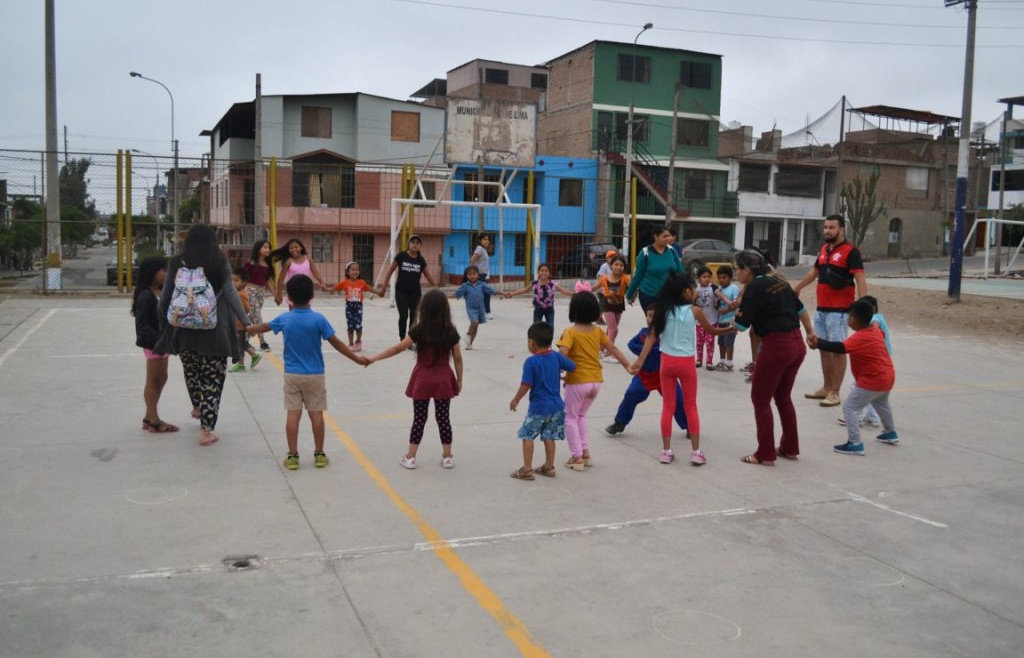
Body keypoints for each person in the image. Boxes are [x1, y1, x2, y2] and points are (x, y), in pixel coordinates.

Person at [247, 275, 368, 470]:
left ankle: (293, 456)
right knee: (316, 414)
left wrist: (246, 328)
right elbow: (336, 343)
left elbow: (263, 327)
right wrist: (357, 359)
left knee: (293, 415)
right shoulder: (319, 319)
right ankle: (319, 454)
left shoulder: (285, 318)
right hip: (315, 375)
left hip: (292, 375)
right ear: (312, 296)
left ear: (289, 298)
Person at [155, 223, 251, 447]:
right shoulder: (219, 262)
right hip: (214, 332)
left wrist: (166, 326)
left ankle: (197, 406)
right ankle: (207, 430)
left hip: (184, 332)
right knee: (212, 379)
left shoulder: (177, 263)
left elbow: (165, 297)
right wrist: (246, 321)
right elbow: (230, 292)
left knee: (192, 372)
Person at [631, 272, 733, 465]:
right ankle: (696, 452)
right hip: (686, 363)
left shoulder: (663, 311)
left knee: (667, 406)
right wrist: (730, 328)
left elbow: (651, 338)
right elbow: (712, 330)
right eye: (693, 288)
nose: (695, 291)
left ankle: (666, 451)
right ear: (685, 291)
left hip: (667, 363)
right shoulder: (694, 311)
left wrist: (638, 363)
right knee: (690, 406)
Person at [730, 250, 815, 466]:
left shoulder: (753, 288)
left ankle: (765, 453)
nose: (734, 273)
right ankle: (789, 447)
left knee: (760, 399)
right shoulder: (778, 280)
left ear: (747, 270)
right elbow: (801, 309)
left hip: (776, 346)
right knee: (783, 397)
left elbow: (740, 325)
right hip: (796, 344)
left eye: (736, 269)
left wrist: (719, 327)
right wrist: (810, 332)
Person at [366, 289, 463, 469]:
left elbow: (398, 348)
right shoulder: (450, 329)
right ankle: (447, 456)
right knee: (444, 418)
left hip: (423, 378)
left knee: (419, 418)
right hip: (443, 378)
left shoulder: (419, 329)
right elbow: (457, 357)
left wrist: (374, 358)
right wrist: (459, 380)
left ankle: (410, 457)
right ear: (445, 309)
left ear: (423, 308)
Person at [793, 214, 868, 407]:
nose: (827, 231)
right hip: (822, 309)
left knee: (838, 351)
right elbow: (814, 272)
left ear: (841, 229)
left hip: (840, 311)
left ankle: (835, 392)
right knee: (823, 348)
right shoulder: (824, 250)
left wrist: (864, 305)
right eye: (826, 227)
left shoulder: (851, 252)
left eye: (832, 228)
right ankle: (826, 387)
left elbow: (859, 278)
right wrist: (797, 287)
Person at [809, 299, 899, 455]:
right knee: (882, 404)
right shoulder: (874, 330)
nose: (847, 319)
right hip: (887, 377)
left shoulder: (860, 337)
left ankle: (854, 443)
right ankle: (890, 433)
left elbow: (840, 347)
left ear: (854, 320)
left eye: (849, 316)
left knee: (850, 407)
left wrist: (818, 343)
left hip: (872, 380)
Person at [557, 292, 632, 470]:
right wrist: (628, 365)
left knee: (570, 417)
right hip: (595, 382)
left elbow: (563, 353)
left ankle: (576, 458)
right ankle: (585, 453)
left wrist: (560, 370)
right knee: (581, 416)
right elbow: (612, 347)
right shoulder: (598, 331)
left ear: (573, 311)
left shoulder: (570, 332)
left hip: (577, 381)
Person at [605, 306, 688, 437]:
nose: (649, 319)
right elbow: (631, 344)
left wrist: (649, 351)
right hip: (644, 375)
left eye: (652, 316)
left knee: (678, 400)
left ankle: (689, 426)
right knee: (631, 395)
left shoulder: (667, 335)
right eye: (648, 316)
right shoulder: (644, 333)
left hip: (664, 376)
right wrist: (646, 350)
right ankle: (619, 422)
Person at [508, 322, 576, 480]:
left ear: (531, 343)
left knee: (527, 435)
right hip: (557, 406)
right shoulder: (556, 356)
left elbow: (526, 384)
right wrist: (562, 375)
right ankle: (549, 467)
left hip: (539, 407)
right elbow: (572, 366)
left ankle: (526, 469)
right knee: (549, 435)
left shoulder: (531, 362)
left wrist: (516, 399)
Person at [133, 255, 177, 434]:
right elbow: (143, 324)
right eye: (163, 270)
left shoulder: (161, 292)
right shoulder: (145, 295)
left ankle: (148, 416)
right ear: (153, 272)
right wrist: (158, 339)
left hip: (163, 342)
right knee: (153, 380)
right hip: (154, 343)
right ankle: (154, 419)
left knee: (162, 377)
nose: (166, 274)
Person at [837, 295, 890, 428]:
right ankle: (873, 418)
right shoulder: (879, 317)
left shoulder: (873, 321)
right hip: (882, 359)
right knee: (877, 398)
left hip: (874, 360)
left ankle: (857, 419)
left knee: (857, 390)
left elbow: (875, 329)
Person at [375, 234, 437, 341]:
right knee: (403, 316)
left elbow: (427, 275)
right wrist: (384, 287)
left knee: (414, 317)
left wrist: (436, 288)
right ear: (409, 244)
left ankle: (410, 340)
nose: (415, 245)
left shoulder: (421, 260)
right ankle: (402, 339)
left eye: (418, 243)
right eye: (413, 242)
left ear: (420, 246)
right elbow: (390, 271)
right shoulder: (401, 256)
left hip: (415, 293)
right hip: (401, 291)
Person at [626, 226, 683, 310]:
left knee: (667, 321)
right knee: (653, 321)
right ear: (655, 236)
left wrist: (687, 287)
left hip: (668, 295)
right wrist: (630, 294)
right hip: (648, 295)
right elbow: (638, 275)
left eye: (668, 236)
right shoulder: (645, 253)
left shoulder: (672, 250)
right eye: (664, 236)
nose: (668, 238)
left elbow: (680, 271)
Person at [503, 263, 574, 328]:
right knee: (536, 328)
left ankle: (548, 342)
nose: (544, 272)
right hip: (538, 309)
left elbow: (563, 290)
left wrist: (574, 294)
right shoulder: (535, 283)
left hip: (549, 309)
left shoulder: (553, 284)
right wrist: (511, 294)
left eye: (546, 271)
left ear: (549, 273)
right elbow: (524, 290)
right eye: (542, 270)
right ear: (538, 273)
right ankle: (537, 341)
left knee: (550, 327)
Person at [272, 238, 328, 307]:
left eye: (296, 247)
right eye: (291, 248)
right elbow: (281, 279)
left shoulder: (308, 258)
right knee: (293, 313)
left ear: (301, 247)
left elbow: (315, 272)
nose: (294, 250)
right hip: (293, 290)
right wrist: (279, 294)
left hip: (306, 289)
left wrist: (322, 282)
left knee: (306, 311)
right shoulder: (288, 261)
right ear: (288, 250)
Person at [333, 261, 374, 352]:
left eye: (357, 270)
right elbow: (335, 288)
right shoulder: (345, 282)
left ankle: (358, 341)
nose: (355, 272)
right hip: (349, 306)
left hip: (358, 306)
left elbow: (369, 288)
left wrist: (379, 292)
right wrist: (326, 289)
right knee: (350, 326)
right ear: (347, 272)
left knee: (358, 325)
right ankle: (351, 343)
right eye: (353, 270)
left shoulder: (361, 282)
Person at [452, 265, 496, 350]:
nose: (472, 276)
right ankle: (468, 334)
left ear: (478, 275)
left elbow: (491, 290)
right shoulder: (465, 286)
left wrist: (502, 293)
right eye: (470, 274)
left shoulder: (482, 285)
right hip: (471, 308)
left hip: (480, 308)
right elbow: (457, 293)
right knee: (474, 322)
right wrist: (445, 297)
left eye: (474, 274)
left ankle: (470, 344)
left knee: (476, 326)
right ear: (467, 276)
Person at [244, 239, 276, 352]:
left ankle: (244, 339)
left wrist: (275, 294)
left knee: (253, 317)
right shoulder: (251, 263)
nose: (268, 250)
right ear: (258, 249)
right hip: (250, 291)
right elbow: (243, 278)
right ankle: (262, 342)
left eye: (269, 248)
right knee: (257, 316)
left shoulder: (267, 265)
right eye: (265, 247)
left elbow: (268, 281)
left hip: (261, 292)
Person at [228, 267, 262, 372]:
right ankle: (254, 355)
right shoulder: (238, 293)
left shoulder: (240, 294)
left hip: (239, 324)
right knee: (243, 343)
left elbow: (246, 308)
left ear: (244, 282)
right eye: (232, 280)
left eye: (236, 281)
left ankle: (241, 365)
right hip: (238, 323)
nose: (233, 283)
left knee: (239, 345)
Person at [597, 255, 630, 357]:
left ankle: (600, 349)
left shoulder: (625, 278)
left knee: (610, 330)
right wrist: (585, 290)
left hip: (619, 306)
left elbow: (632, 287)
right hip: (607, 305)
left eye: (621, 265)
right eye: (616, 264)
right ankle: (608, 353)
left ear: (624, 267)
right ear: (611, 266)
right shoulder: (605, 278)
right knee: (614, 330)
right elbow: (597, 287)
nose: (618, 267)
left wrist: (632, 296)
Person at [714, 265, 741, 371]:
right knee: (721, 342)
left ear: (730, 278)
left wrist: (727, 310)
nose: (721, 280)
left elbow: (735, 304)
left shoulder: (734, 288)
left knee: (729, 343)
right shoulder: (719, 289)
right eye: (719, 277)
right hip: (721, 320)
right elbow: (717, 303)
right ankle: (722, 361)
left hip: (731, 321)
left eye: (724, 277)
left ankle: (729, 364)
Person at [693, 266, 720, 370]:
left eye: (709, 276)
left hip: (712, 320)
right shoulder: (696, 289)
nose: (707, 279)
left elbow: (718, 300)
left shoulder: (713, 288)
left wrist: (717, 302)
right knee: (700, 341)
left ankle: (709, 361)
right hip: (700, 322)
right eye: (704, 277)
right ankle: (699, 359)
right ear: (699, 278)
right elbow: (692, 300)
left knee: (710, 342)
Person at [470, 234, 494, 319]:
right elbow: (472, 259)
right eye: (484, 239)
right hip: (479, 275)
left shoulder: (484, 250)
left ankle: (480, 311)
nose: (487, 241)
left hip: (484, 275)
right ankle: (487, 312)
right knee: (487, 292)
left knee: (481, 294)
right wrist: (473, 273)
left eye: (488, 239)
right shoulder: (479, 249)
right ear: (480, 240)